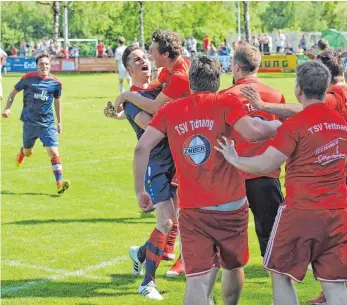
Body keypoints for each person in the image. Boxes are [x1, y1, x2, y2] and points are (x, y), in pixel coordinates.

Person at [133, 54, 282, 305]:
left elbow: (141, 148)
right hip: (231, 205)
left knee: (197, 279)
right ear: (218, 79)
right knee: (232, 267)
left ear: (191, 82)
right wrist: (278, 124)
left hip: (192, 209)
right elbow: (254, 132)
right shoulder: (227, 101)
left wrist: (140, 190)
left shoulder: (170, 110)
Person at [216, 60, 347, 305]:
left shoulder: (294, 125)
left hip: (302, 211)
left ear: (298, 90)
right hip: (338, 213)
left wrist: (234, 159)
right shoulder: (340, 123)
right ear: (326, 88)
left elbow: (265, 165)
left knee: (279, 272)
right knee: (335, 283)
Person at [104, 45, 179, 300]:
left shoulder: (157, 88)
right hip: (156, 163)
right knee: (166, 222)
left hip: (178, 159)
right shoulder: (132, 98)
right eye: (137, 59)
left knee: (178, 221)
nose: (144, 61)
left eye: (145, 57)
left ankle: (139, 254)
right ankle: (147, 282)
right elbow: (153, 123)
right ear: (128, 69)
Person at [220, 42, 285, 265]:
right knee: (273, 239)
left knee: (225, 237)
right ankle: (280, 287)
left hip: (233, 176)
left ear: (237, 67)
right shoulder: (275, 96)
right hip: (266, 174)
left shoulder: (225, 96)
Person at [1, 54, 70, 194]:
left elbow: (57, 101)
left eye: (47, 64)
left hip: (47, 123)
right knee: (28, 152)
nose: (44, 66)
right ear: (36, 65)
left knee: (53, 151)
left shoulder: (56, 83)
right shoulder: (27, 79)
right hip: (30, 123)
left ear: (50, 66)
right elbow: (13, 92)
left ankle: (59, 183)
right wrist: (7, 108)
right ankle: (22, 152)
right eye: (41, 64)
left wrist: (60, 122)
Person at [115, 29, 190, 114]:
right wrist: (126, 105)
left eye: (152, 51)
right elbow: (150, 89)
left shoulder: (179, 76)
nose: (149, 55)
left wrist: (126, 95)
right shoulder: (169, 68)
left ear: (165, 55)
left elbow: (154, 107)